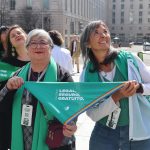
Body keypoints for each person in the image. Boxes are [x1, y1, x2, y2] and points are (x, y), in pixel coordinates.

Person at [0, 29, 77, 150]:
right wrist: (8, 88)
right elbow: (2, 106)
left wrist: (71, 125)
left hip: (54, 141)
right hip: (24, 140)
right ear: (27, 49)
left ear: (51, 48)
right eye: (33, 43)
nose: (38, 46)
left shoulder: (62, 76)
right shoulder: (17, 75)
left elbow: (72, 106)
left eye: (43, 42)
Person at [80, 20, 150, 150]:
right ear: (88, 44)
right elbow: (92, 113)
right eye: (96, 33)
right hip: (104, 133)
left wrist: (140, 88)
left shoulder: (129, 59)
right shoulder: (87, 74)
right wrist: (116, 96)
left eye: (105, 31)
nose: (103, 35)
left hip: (137, 129)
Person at [0, 24, 30, 150]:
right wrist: (8, 86)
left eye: (19, 32)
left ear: (26, 36)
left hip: (36, 118)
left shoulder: (41, 59)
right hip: (10, 118)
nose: (17, 35)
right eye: (12, 35)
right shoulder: (4, 64)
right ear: (10, 43)